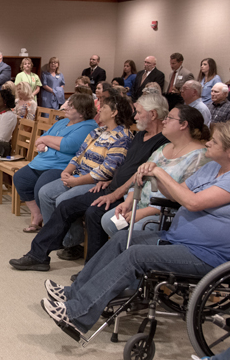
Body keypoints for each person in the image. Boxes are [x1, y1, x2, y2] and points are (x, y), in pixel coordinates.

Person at [40, 122, 230, 339]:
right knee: (122, 239)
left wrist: (160, 171)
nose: (208, 142)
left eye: (214, 141)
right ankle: (74, 293)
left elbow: (193, 203)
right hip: (177, 239)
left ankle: (78, 313)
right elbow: (174, 195)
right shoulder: (212, 167)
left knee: (136, 255)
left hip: (208, 255)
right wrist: (154, 176)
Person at [9, 93, 169, 270]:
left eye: (139, 112)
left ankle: (90, 269)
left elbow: (138, 173)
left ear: (153, 114)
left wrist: (115, 188)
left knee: (91, 212)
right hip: (110, 186)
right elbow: (122, 167)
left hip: (126, 193)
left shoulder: (157, 142)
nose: (135, 116)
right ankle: (38, 255)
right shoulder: (140, 136)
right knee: (64, 205)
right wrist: (108, 181)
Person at [34, 95, 135, 259]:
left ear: (114, 112)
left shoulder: (122, 137)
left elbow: (107, 170)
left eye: (104, 107)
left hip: (94, 181)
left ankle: (73, 243)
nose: (100, 109)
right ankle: (61, 238)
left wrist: (76, 181)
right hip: (78, 174)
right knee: (45, 193)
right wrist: (66, 171)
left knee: (62, 200)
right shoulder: (98, 131)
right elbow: (79, 155)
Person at [101, 105, 210, 237]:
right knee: (108, 221)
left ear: (183, 124)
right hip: (139, 204)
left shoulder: (200, 157)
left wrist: (145, 212)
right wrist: (129, 202)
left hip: (165, 212)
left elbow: (184, 198)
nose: (164, 121)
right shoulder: (163, 148)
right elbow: (140, 177)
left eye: (169, 118)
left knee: (135, 230)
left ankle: (130, 254)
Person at [14, 94, 98, 232]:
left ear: (82, 112)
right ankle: (38, 214)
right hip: (43, 161)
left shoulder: (87, 126)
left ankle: (51, 228)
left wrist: (46, 141)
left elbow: (68, 145)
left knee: (41, 186)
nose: (66, 107)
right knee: (21, 178)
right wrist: (45, 141)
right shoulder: (62, 122)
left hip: (62, 166)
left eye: (71, 107)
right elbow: (42, 137)